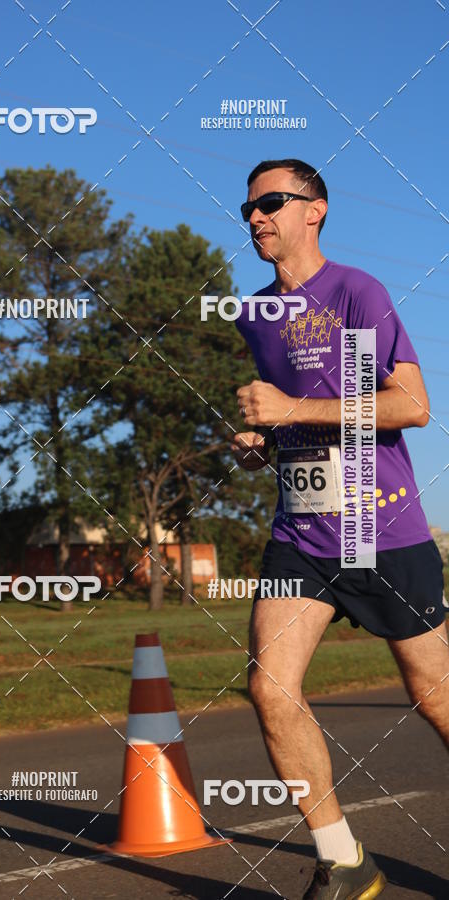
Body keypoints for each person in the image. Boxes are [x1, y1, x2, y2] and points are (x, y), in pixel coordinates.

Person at [232, 158, 449, 899]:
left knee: (434, 695)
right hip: (302, 536)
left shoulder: (357, 292)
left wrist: (292, 411)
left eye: (271, 202)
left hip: (384, 529)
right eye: (248, 208)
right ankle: (345, 862)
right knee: (271, 689)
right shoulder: (255, 315)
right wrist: (264, 438)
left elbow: (410, 405)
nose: (256, 217)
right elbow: (294, 412)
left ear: (314, 209)